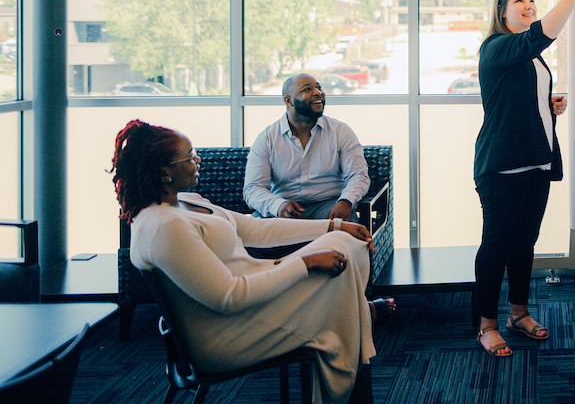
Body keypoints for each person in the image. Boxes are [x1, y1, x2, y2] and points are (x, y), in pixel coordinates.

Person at [112, 119, 392, 404]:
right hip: (228, 333)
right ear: (164, 174)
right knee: (344, 312)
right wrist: (306, 263)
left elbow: (255, 229)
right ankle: (360, 316)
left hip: (250, 308)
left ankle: (357, 313)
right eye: (190, 155)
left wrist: (335, 227)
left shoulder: (184, 202)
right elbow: (229, 297)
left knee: (346, 244)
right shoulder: (165, 227)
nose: (198, 160)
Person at [472, 0, 575, 357]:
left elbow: (521, 95)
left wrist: (549, 105)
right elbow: (541, 36)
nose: (528, 5)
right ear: (502, 11)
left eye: (532, 0)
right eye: (519, 0)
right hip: (502, 166)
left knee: (525, 243)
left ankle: (518, 314)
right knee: (497, 244)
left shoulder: (530, 57)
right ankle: (486, 323)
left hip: (535, 163)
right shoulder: (497, 47)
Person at [244, 74, 370, 222]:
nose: (318, 92)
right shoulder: (267, 139)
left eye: (319, 88)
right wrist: (278, 205)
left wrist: (346, 201)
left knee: (346, 236)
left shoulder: (340, 131)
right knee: (250, 234)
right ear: (288, 100)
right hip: (284, 211)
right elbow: (253, 188)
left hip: (329, 208)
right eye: (307, 89)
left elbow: (358, 175)